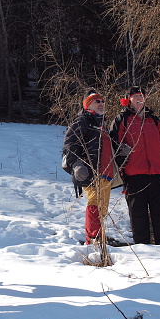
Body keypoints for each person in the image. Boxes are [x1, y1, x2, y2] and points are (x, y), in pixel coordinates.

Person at [109, 86, 160, 245]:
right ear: (128, 100)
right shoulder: (121, 119)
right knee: (138, 214)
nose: (139, 99)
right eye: (135, 96)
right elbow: (112, 144)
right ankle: (142, 248)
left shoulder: (154, 120)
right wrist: (122, 159)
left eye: (141, 96)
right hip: (134, 173)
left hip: (157, 172)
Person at [62, 89, 117, 245]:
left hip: (106, 172)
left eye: (102, 101)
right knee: (95, 203)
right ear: (87, 105)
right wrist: (77, 164)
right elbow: (69, 144)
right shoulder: (82, 121)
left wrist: (121, 148)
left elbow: (107, 146)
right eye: (96, 101)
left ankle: (99, 236)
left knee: (102, 207)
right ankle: (93, 239)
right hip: (90, 171)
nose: (101, 103)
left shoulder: (102, 124)